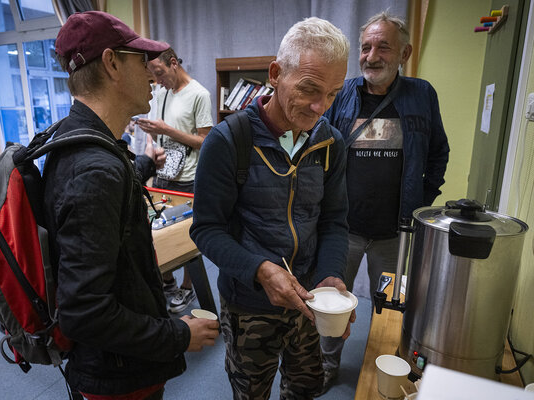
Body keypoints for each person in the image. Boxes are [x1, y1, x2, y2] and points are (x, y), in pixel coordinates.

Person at [45, 11, 219, 400]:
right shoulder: (93, 170)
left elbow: (109, 186)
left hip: (113, 364)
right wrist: (178, 334)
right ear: (111, 63)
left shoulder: (79, 140)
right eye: (141, 61)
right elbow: (84, 312)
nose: (151, 75)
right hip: (117, 376)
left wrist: (142, 165)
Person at [190, 17, 352, 399]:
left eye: (333, 93)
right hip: (249, 305)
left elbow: (333, 221)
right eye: (310, 88)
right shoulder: (229, 141)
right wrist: (259, 270)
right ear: (276, 74)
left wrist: (330, 276)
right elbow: (206, 229)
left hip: (309, 299)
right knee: (252, 391)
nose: (320, 106)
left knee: (305, 387)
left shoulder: (331, 143)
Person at [319, 11, 450, 394]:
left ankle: (385, 369)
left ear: (405, 52)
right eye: (365, 47)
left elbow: (439, 153)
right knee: (331, 303)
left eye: (383, 46)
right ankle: (327, 365)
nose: (372, 55)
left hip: (397, 232)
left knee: (392, 309)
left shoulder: (421, 94)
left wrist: (422, 204)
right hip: (342, 228)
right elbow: (318, 148)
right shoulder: (342, 94)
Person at [137, 48, 213, 313]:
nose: (158, 82)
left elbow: (206, 141)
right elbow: (152, 130)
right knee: (157, 231)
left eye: (159, 73)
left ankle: (188, 287)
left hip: (189, 180)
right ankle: (167, 281)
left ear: (173, 64)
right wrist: (150, 145)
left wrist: (166, 130)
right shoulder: (160, 93)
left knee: (189, 238)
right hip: (161, 176)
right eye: (152, 77)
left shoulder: (199, 94)